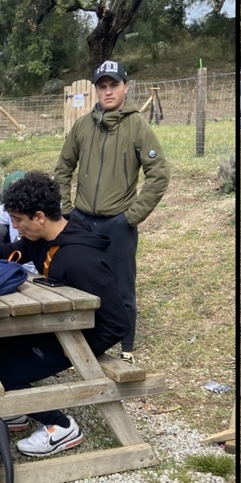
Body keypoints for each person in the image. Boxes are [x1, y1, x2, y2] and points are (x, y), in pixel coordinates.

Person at [0, 171, 130, 457]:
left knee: (5, 370)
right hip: (54, 325)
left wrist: (72, 351)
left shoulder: (83, 260)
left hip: (78, 337)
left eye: (18, 220)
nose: (15, 227)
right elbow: (14, 251)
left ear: (39, 216)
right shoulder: (41, 239)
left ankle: (61, 427)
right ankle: (18, 409)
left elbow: (117, 323)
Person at [55, 60, 170, 361]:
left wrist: (131, 217)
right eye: (102, 86)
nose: (107, 92)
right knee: (78, 282)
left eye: (113, 85)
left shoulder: (137, 125)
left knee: (121, 288)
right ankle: (79, 343)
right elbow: (63, 167)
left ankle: (127, 348)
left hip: (117, 224)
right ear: (96, 90)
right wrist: (67, 209)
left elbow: (158, 173)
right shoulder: (82, 125)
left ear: (125, 87)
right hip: (81, 221)